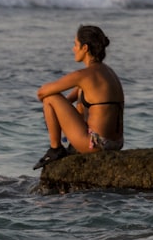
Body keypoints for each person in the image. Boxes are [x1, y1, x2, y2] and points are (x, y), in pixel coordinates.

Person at [34, 25, 124, 169]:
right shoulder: (108, 72)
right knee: (79, 102)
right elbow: (68, 103)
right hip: (117, 142)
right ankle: (71, 147)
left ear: (85, 48)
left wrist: (52, 108)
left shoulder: (83, 76)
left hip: (96, 144)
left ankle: (55, 149)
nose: (73, 49)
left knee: (50, 99)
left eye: (75, 44)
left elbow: (41, 93)